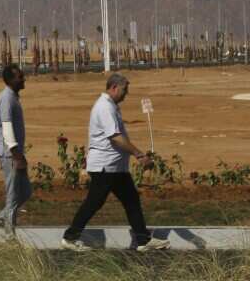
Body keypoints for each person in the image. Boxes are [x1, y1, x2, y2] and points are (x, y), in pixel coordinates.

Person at [60, 74, 170, 252]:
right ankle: (69, 238)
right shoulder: (105, 107)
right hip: (106, 166)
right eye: (124, 90)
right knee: (94, 202)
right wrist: (139, 155)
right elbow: (115, 137)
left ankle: (142, 240)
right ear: (114, 88)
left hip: (115, 167)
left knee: (131, 200)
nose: (126, 94)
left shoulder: (111, 106)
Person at [0, 65, 31, 240]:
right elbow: (7, 126)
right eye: (20, 77)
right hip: (10, 154)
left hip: (16, 152)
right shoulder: (6, 99)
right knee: (12, 197)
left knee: (25, 192)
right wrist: (17, 155)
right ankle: (10, 236)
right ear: (11, 80)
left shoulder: (12, 97)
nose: (23, 79)